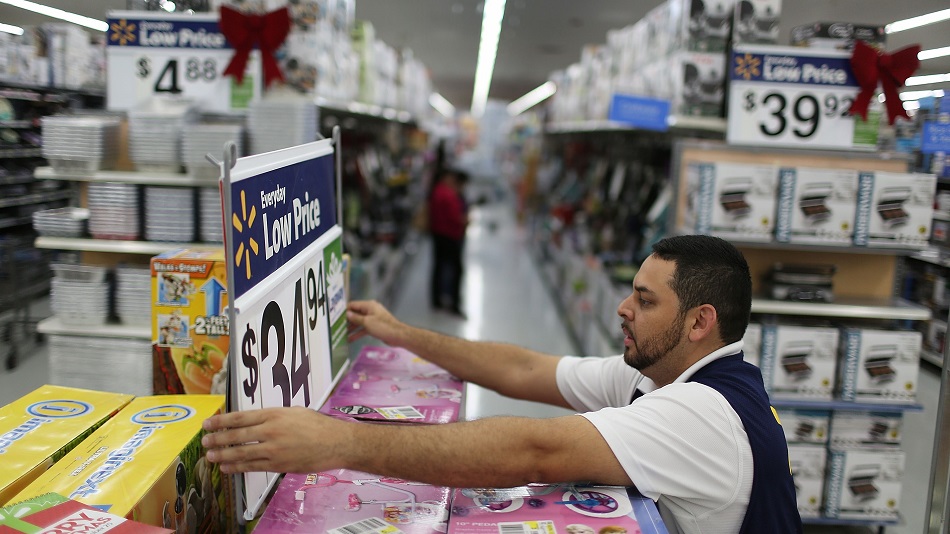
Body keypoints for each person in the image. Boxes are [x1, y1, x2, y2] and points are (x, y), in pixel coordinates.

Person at [202, 235, 802, 534]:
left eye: (645, 300)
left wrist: (338, 443)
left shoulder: (700, 415)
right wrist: (402, 333)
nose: (622, 308)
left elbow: (532, 450)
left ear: (700, 322)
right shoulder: (661, 376)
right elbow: (523, 370)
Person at [428, 168, 469, 315]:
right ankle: (454, 303)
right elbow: (455, 217)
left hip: (439, 234)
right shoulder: (446, 194)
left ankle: (437, 299)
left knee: (439, 267)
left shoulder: (437, 191)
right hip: (450, 236)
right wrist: (464, 220)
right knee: (456, 270)